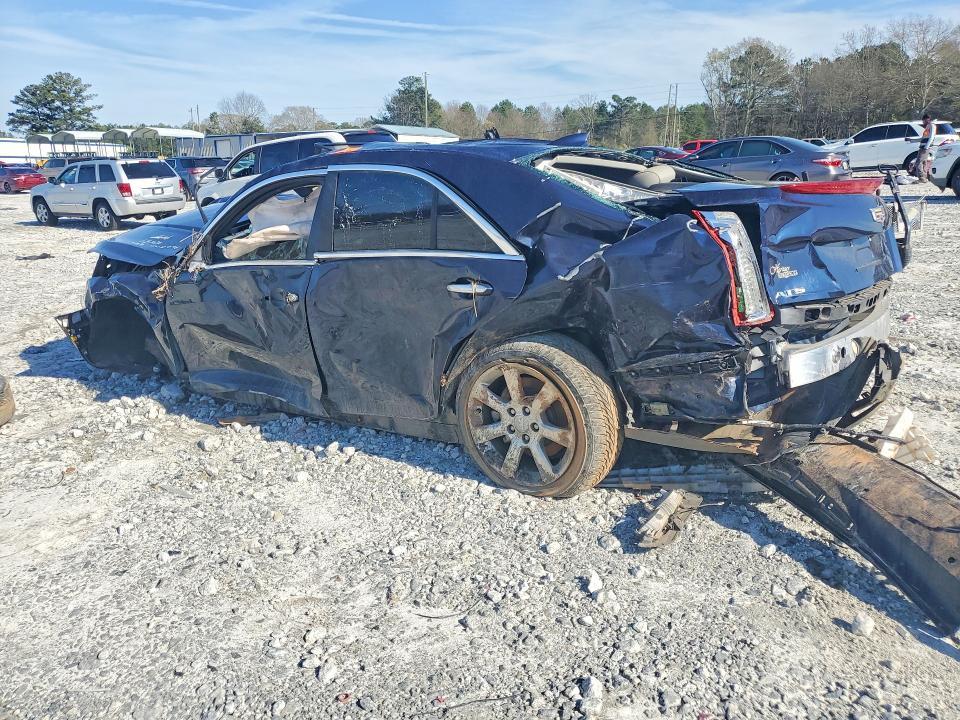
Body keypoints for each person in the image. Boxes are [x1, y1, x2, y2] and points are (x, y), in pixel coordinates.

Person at [916, 114, 936, 181]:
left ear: (927, 119)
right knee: (924, 162)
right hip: (922, 146)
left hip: (925, 147)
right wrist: (911, 140)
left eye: (923, 120)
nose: (923, 122)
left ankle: (921, 177)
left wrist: (926, 147)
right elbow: (923, 138)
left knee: (918, 162)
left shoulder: (932, 125)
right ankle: (925, 177)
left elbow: (931, 137)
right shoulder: (928, 126)